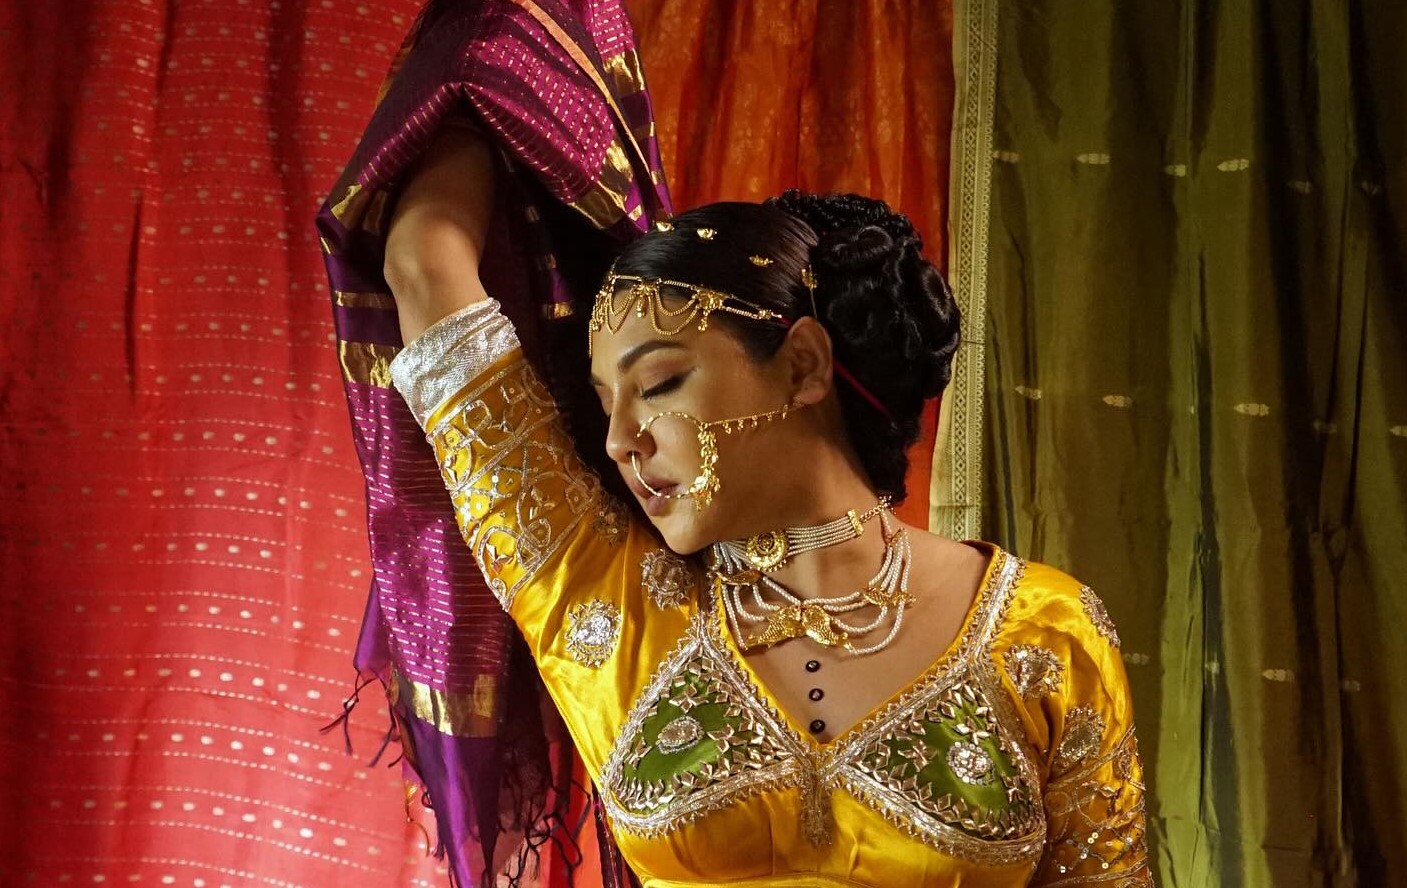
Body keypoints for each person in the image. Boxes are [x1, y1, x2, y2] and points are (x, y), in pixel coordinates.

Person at [381, 124, 1154, 886]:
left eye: (657, 385)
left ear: (802, 365)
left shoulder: (1044, 630)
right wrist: (505, 69)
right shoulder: (597, 595)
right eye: (606, 403)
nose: (619, 442)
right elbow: (422, 266)